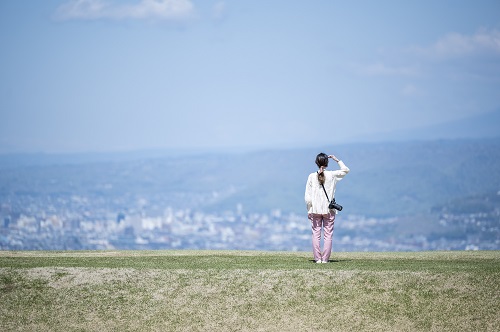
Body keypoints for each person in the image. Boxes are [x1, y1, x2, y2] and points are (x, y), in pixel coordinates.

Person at [304, 153, 350, 263]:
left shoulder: (311, 176)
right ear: (327, 163)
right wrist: (337, 160)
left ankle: (317, 259)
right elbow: (346, 170)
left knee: (316, 234)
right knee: (328, 235)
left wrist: (309, 209)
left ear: (316, 163)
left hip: (315, 209)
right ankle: (325, 259)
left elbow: (308, 197)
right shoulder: (332, 175)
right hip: (329, 210)